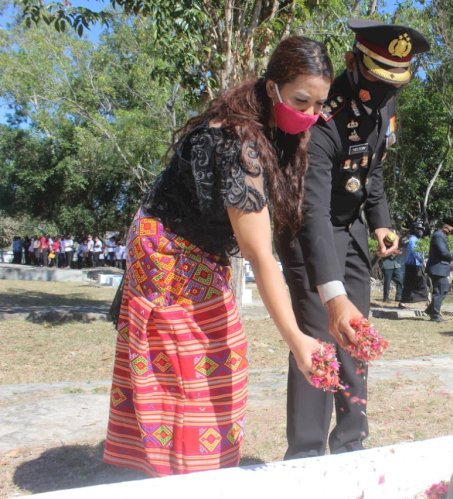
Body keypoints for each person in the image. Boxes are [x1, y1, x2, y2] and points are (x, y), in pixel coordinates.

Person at [103, 36, 335, 477]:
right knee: (188, 368)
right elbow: (259, 254)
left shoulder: (271, 137)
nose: (308, 116)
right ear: (273, 88)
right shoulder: (235, 144)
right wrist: (297, 339)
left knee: (220, 358)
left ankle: (196, 467)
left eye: (318, 105)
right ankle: (181, 473)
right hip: (166, 250)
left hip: (203, 252)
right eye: (300, 100)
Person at [275, 19, 430, 460]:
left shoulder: (383, 103)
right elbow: (313, 213)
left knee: (356, 338)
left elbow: (371, 169)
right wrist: (331, 295)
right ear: (352, 63)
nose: (386, 90)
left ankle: (350, 447)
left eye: (394, 81)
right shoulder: (324, 118)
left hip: (352, 231)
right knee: (320, 340)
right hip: (310, 236)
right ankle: (305, 457)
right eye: (378, 78)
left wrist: (380, 221)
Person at [426, 217, 453, 322]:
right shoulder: (438, 236)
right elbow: (443, 253)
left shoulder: (440, 236)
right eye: (450, 229)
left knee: (443, 290)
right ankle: (435, 315)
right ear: (445, 226)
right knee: (440, 291)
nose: (451, 231)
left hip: (440, 268)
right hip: (438, 268)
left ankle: (431, 310)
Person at [399, 219, 430, 308]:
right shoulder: (412, 239)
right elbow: (415, 252)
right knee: (417, 283)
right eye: (418, 229)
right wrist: (422, 261)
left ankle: (426, 300)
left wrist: (425, 260)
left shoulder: (419, 240)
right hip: (412, 266)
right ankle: (427, 301)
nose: (420, 231)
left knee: (416, 284)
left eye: (421, 229)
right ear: (414, 229)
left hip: (417, 266)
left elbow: (423, 252)